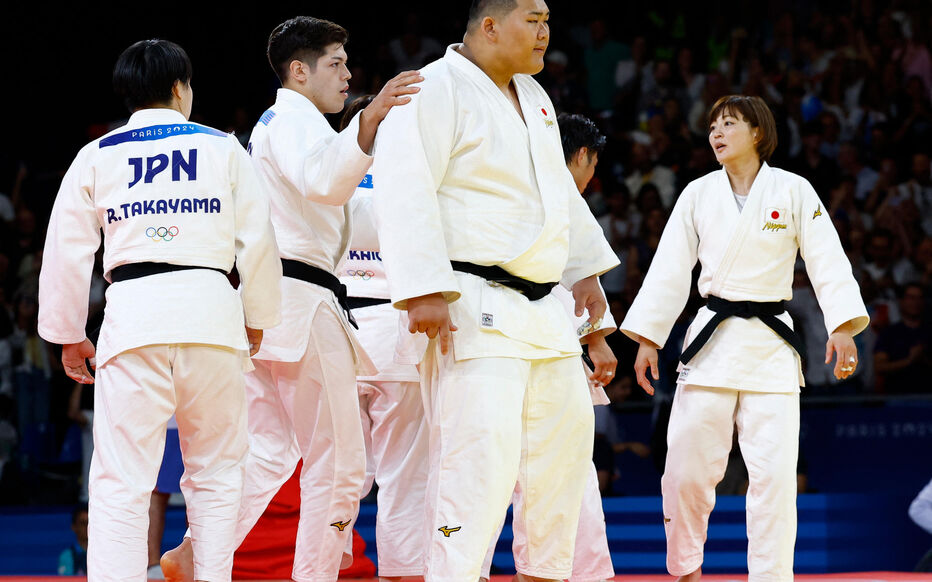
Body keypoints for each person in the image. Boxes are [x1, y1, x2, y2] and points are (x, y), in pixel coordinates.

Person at [161, 16, 421, 582]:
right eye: (336, 64)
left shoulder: (287, 126)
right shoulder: (294, 119)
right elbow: (327, 184)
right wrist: (370, 120)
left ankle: (196, 550)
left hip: (270, 303)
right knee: (341, 462)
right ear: (299, 72)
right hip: (303, 303)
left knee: (266, 454)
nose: (348, 75)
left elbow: (345, 208)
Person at [371, 1, 619, 580]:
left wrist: (586, 276)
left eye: (548, 20)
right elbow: (404, 189)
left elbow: (558, 195)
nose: (545, 33)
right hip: (471, 304)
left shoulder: (535, 97)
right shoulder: (431, 88)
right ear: (489, 26)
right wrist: (423, 288)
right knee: (475, 470)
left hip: (544, 315)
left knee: (559, 463)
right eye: (532, 20)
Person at [37, 39, 282, 582]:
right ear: (179, 88)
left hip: (133, 318)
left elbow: (66, 247)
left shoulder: (97, 154)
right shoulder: (222, 147)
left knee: (121, 479)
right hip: (211, 314)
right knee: (218, 473)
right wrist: (257, 315)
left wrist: (69, 333)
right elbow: (260, 241)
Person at [620, 95, 869, 582]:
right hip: (710, 344)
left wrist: (841, 327)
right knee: (686, 472)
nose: (716, 132)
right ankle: (687, 567)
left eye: (729, 123)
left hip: (770, 348)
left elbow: (828, 260)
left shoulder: (794, 191)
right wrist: (648, 338)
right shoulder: (697, 193)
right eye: (712, 125)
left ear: (758, 133)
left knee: (775, 479)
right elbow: (670, 268)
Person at [334, 95, 430, 581]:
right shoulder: (418, 175)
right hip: (398, 329)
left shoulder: (327, 170)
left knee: (335, 471)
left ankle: (322, 565)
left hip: (337, 328)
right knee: (403, 473)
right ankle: (401, 573)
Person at [58, 505, 89, 575]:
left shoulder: (100, 554)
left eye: (89, 523)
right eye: (83, 523)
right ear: (74, 527)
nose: (87, 527)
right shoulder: (66, 555)